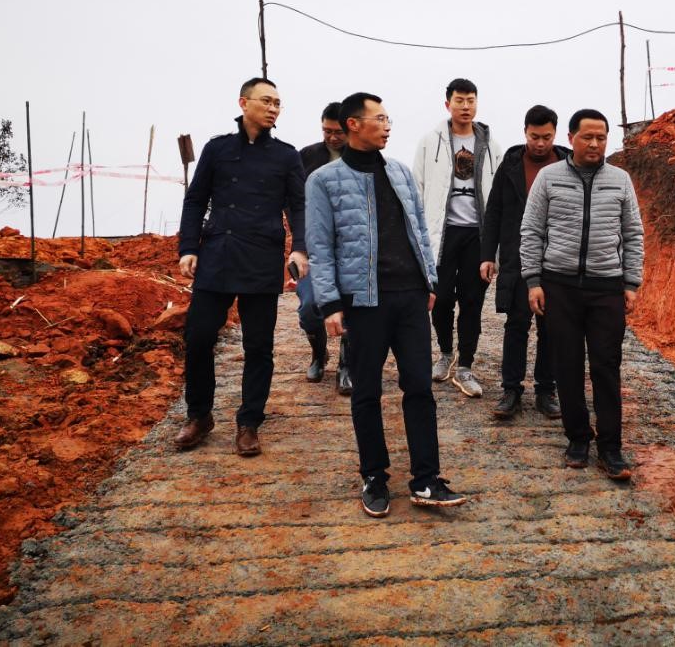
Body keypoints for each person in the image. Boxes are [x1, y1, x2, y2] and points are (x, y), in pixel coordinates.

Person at [307, 92, 468, 517]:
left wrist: (429, 279)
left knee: (419, 388)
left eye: (387, 118)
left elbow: (419, 229)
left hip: (410, 297)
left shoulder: (398, 171)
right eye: (379, 118)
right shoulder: (324, 180)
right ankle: (374, 476)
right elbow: (320, 246)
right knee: (366, 391)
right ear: (353, 124)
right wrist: (330, 304)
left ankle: (426, 479)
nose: (387, 125)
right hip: (363, 302)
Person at [174, 77, 307, 457]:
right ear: (243, 103)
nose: (273, 108)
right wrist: (189, 247)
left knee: (258, 346)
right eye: (266, 101)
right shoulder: (217, 150)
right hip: (217, 253)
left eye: (278, 103)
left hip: (261, 258)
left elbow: (298, 207)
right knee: (199, 337)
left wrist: (299, 249)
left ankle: (249, 423)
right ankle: (199, 415)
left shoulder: (286, 156)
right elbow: (195, 200)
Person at [520, 109, 643, 481]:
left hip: (606, 287)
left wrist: (631, 283)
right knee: (567, 366)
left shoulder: (620, 180)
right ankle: (577, 439)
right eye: (587, 137)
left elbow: (633, 233)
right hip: (560, 286)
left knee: (606, 366)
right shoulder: (549, 177)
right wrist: (533, 280)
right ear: (571, 138)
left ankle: (611, 447)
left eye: (601, 137)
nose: (594, 144)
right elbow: (531, 231)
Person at [412, 78, 503, 398]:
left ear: (477, 103)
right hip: (442, 233)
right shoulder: (430, 142)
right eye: (459, 100)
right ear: (447, 104)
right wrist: (419, 237)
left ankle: (465, 365)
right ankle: (445, 353)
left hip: (477, 235)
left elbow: (498, 196)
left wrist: (495, 247)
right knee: (440, 299)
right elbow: (417, 189)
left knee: (472, 300)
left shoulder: (491, 146)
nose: (465, 106)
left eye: (471, 100)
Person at [480, 105, 567, 420]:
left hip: (558, 259)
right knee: (516, 324)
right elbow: (494, 211)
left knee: (551, 328)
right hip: (517, 257)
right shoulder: (512, 164)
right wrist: (488, 255)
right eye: (534, 137)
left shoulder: (568, 164)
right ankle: (511, 390)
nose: (540, 143)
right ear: (525, 132)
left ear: (555, 134)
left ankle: (546, 391)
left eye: (546, 137)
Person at [297, 101, 352, 395]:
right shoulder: (306, 157)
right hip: (314, 249)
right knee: (309, 306)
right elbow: (294, 202)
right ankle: (319, 354)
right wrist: (298, 245)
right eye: (326, 131)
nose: (331, 137)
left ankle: (346, 364)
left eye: (337, 132)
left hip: (350, 250)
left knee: (352, 306)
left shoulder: (362, 158)